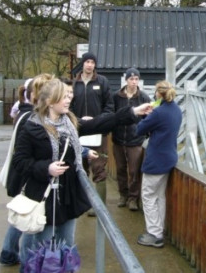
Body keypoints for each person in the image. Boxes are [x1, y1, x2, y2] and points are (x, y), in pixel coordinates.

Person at [10, 78, 151, 268]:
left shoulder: (70, 123)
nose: (69, 100)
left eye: (69, 96)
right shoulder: (31, 127)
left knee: (66, 245)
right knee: (41, 249)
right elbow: (19, 161)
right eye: (64, 97)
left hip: (67, 197)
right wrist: (47, 168)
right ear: (50, 101)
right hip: (44, 198)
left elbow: (101, 123)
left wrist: (134, 112)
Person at [0, 73, 54, 267]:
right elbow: (23, 155)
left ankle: (8, 251)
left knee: (23, 214)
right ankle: (23, 261)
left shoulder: (24, 114)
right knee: (28, 219)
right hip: (28, 177)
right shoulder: (31, 118)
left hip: (26, 175)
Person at [136, 80, 182, 248]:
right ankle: (159, 230)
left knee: (148, 196)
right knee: (159, 196)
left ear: (158, 94)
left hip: (156, 160)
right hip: (169, 158)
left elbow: (139, 129)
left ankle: (154, 234)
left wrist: (146, 114)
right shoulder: (177, 110)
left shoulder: (158, 112)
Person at [70, 52, 114, 216]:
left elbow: (109, 107)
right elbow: (69, 108)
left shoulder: (102, 82)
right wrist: (80, 120)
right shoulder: (75, 84)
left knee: (99, 168)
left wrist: (97, 120)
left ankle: (99, 207)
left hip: (98, 133)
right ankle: (83, 203)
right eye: (87, 61)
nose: (89, 65)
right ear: (82, 64)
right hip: (79, 133)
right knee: (81, 169)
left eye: (92, 62)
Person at [112, 68, 150, 211]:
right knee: (121, 169)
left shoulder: (144, 98)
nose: (134, 82)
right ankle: (123, 195)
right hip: (118, 139)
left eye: (136, 79)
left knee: (134, 171)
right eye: (131, 79)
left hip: (135, 141)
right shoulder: (116, 97)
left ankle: (133, 198)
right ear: (126, 80)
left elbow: (149, 118)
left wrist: (144, 134)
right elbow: (112, 115)